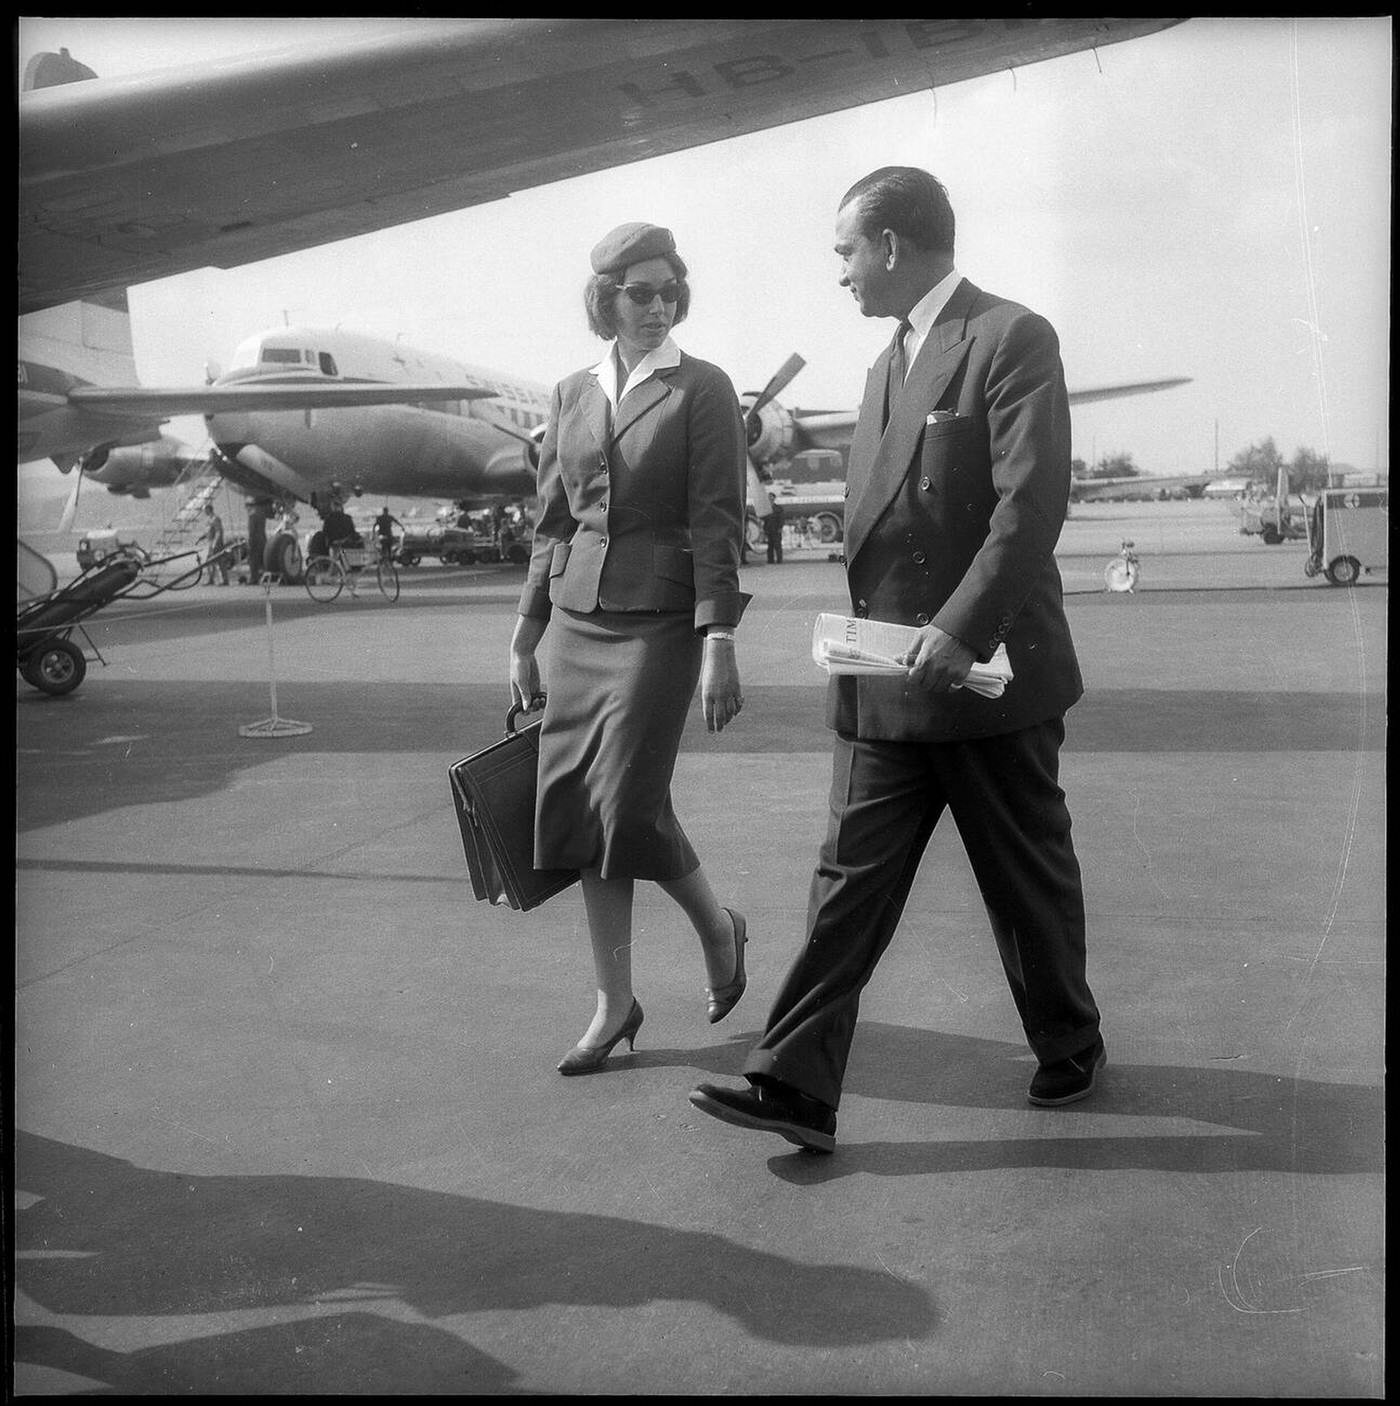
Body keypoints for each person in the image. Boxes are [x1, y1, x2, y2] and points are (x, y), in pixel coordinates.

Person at [691, 167, 1102, 1154]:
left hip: (984, 669)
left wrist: (959, 631)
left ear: (888, 245)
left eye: (843, 251)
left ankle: (1070, 1040)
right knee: (845, 885)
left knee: (1023, 880)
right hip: (884, 676)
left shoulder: (1008, 337)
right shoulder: (885, 364)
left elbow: (1029, 503)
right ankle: (793, 1083)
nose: (836, 273)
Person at [509, 221, 751, 1076]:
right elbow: (552, 518)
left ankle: (718, 931)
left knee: (622, 802)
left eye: (668, 290)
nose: (658, 305)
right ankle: (616, 1002)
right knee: (581, 807)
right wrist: (527, 628)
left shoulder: (704, 388)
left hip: (661, 621)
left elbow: (720, 517)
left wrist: (719, 634)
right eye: (639, 292)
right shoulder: (571, 391)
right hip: (577, 618)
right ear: (604, 299)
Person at [200, 503, 229, 585]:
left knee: (220, 562)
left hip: (216, 544)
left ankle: (224, 580)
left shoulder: (215, 519)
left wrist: (215, 543)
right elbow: (208, 532)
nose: (204, 512)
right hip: (211, 544)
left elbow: (219, 531)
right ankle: (211, 579)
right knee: (210, 562)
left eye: (205, 510)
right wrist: (202, 537)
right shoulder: (209, 519)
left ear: (209, 509)